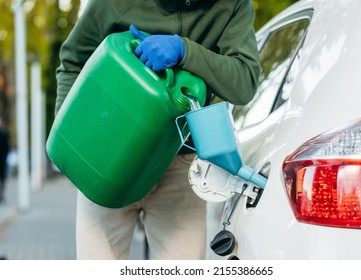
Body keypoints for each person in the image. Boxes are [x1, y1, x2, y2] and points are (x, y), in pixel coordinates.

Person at [55, 0, 260, 260]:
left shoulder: (233, 5)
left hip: (179, 165)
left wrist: (185, 51)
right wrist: (70, 138)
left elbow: (245, 81)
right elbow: (73, 60)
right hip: (107, 157)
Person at [0, 120, 10, 203]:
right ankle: (2, 194)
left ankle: (2, 193)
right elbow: (7, 148)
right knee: (2, 178)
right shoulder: (4, 134)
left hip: (2, 160)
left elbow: (7, 147)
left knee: (3, 178)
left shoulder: (4, 134)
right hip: (3, 159)